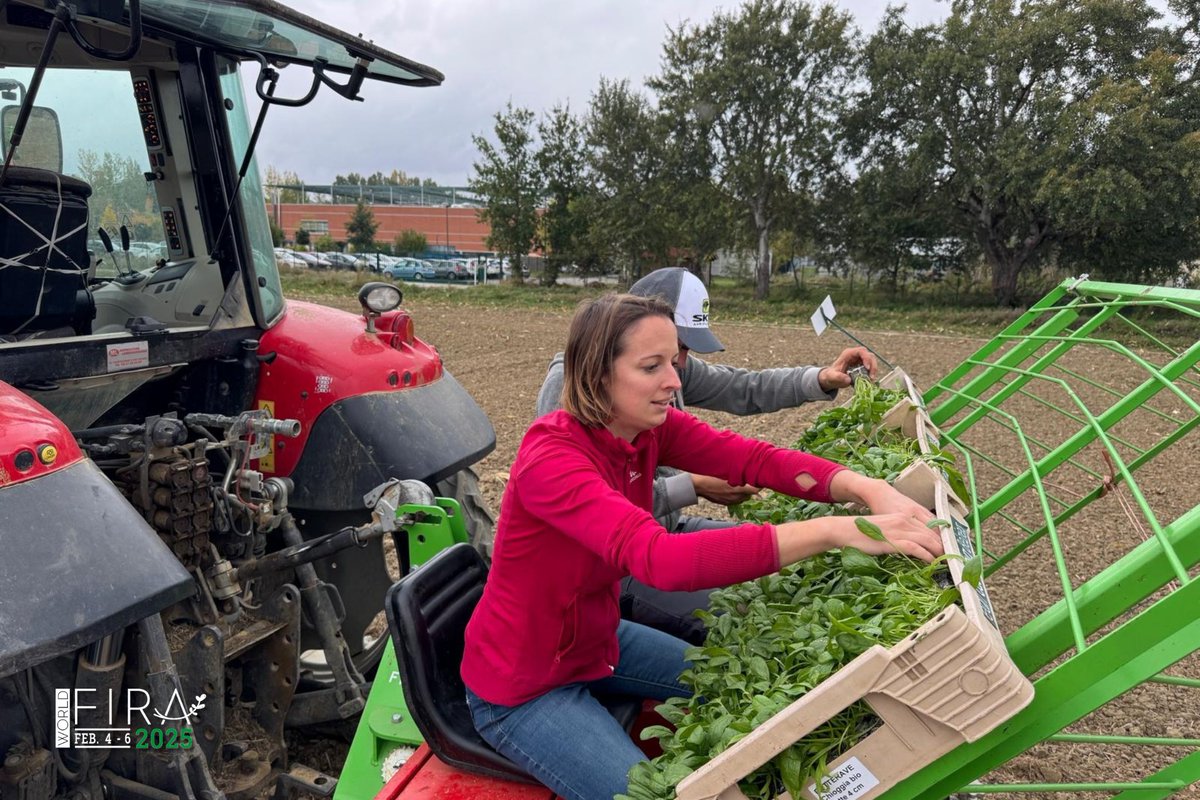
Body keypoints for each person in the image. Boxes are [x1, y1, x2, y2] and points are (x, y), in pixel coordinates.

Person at [463, 293, 941, 800]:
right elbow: (663, 561)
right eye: (652, 367)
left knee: (737, 689)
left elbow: (752, 458)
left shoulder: (644, 429)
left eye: (674, 362)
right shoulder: (553, 460)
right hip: (524, 685)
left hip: (596, 641)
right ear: (597, 375)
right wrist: (835, 531)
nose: (673, 381)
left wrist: (864, 487)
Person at [535, 267, 880, 644]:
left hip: (669, 529)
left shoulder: (666, 371)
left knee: (789, 576)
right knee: (747, 620)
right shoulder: (567, 399)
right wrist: (692, 486)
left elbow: (741, 388)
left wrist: (818, 379)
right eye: (667, 355)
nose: (678, 371)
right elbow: (608, 514)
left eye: (679, 352)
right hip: (617, 566)